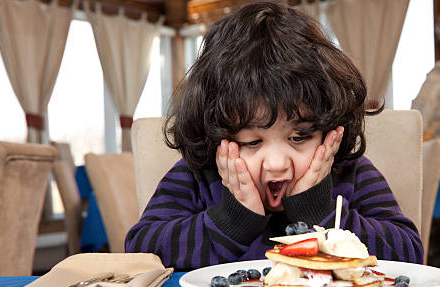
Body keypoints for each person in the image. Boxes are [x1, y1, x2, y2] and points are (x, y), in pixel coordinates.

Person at [125, 1, 423, 270]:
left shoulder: (348, 172)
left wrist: (320, 216)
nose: (278, 163)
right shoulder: (198, 176)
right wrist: (232, 222)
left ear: (328, 132)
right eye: (251, 142)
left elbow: (409, 252)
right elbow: (141, 250)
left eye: (300, 137)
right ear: (215, 137)